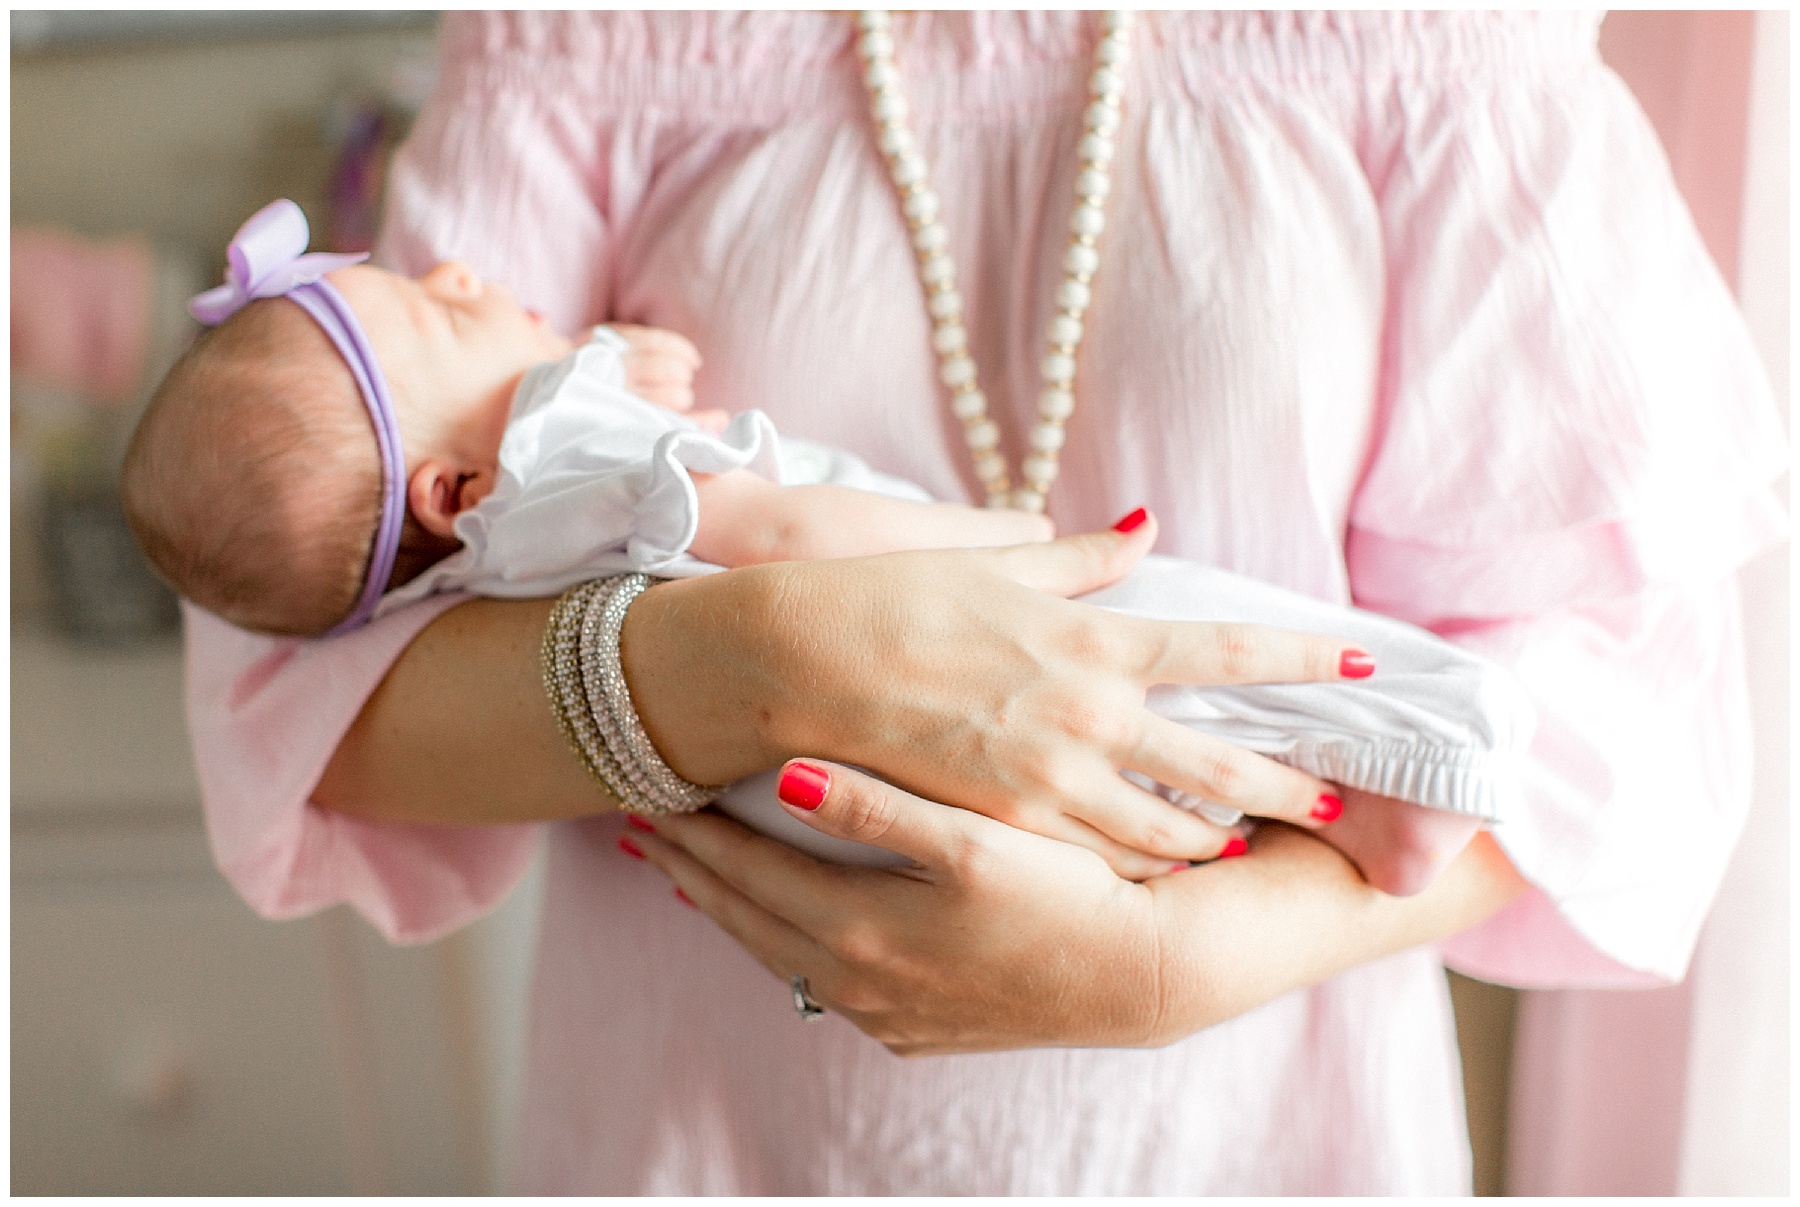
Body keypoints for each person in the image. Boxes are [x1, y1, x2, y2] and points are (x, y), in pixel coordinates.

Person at [174, 12, 1784, 1194]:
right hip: (721, 1135)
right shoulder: (589, 48)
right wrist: (759, 656)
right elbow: (318, 691)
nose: (455, 293)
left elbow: (1616, 711)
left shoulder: (1437, 45)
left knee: (1270, 663)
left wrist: (1169, 967)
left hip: (1264, 1135)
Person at [128, 208, 1530, 888]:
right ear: (447, 487)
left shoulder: (507, 545)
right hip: (925, 626)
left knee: (1141, 772)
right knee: (1199, 646)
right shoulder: (561, 442)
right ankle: (1418, 778)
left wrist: (595, 363)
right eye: (436, 317)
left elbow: (601, 496)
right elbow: (782, 529)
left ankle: (1335, 824)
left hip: (808, 798)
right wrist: (986, 555)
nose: (462, 273)